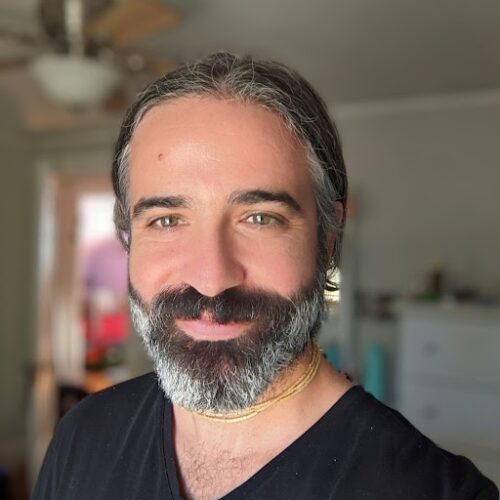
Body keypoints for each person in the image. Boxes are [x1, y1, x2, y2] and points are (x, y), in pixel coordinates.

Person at [32, 52, 498, 500]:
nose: (211, 279)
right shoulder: (81, 438)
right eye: (167, 220)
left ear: (327, 239)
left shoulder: (431, 490)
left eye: (259, 218)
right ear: (128, 237)